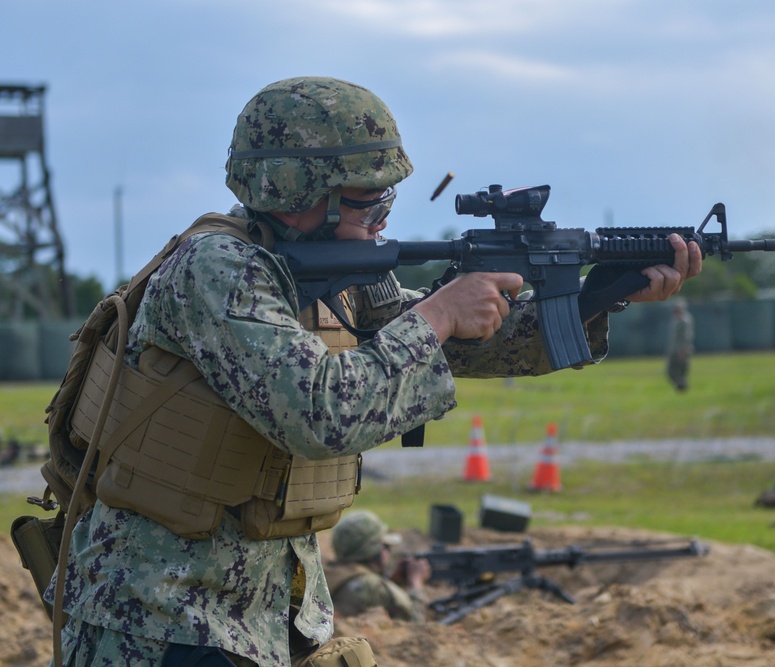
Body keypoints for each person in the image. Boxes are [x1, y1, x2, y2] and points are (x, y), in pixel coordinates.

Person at [47, 76, 700, 665]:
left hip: (261, 611)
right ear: (298, 191)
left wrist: (593, 296)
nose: (381, 222)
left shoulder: (336, 272)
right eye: (368, 204)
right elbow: (319, 411)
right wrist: (441, 312)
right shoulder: (216, 268)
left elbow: (462, 346)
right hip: (156, 617)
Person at [324, 510, 429, 622]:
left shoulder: (335, 573)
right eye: (385, 546)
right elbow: (415, 620)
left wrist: (390, 582)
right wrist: (416, 581)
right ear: (374, 551)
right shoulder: (370, 585)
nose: (387, 553)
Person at [665, 298, 694, 391]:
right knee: (671, 371)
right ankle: (681, 386)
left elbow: (687, 337)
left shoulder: (684, 321)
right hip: (674, 349)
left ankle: (682, 387)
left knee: (680, 370)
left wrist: (683, 350)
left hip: (681, 350)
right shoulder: (676, 320)